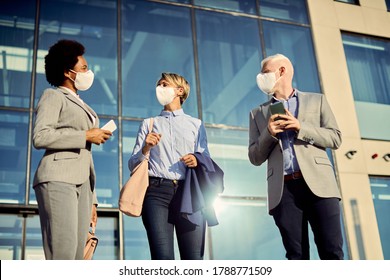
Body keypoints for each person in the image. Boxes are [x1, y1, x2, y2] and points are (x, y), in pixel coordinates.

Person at [248, 54, 344, 260]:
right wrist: (269, 133)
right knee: (296, 256)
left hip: (320, 187)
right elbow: (254, 157)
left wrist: (301, 127)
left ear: (281, 71)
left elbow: (335, 138)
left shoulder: (317, 100)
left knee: (331, 251)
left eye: (264, 73)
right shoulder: (257, 113)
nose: (260, 78)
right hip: (284, 191)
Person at [128, 72, 223, 260]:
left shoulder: (196, 125)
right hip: (156, 193)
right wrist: (146, 148)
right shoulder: (148, 124)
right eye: (159, 85)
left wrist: (196, 159)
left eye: (164, 84)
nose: (160, 88)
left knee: (193, 259)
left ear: (179, 91)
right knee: (162, 259)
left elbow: (206, 159)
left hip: (189, 192)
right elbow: (133, 164)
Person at [33, 39, 112, 260]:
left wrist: (93, 200)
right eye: (84, 68)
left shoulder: (81, 103)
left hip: (83, 184)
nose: (89, 72)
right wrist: (86, 135)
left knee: (78, 255)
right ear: (69, 73)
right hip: (58, 178)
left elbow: (85, 155)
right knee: (63, 252)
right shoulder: (53, 96)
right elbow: (40, 136)